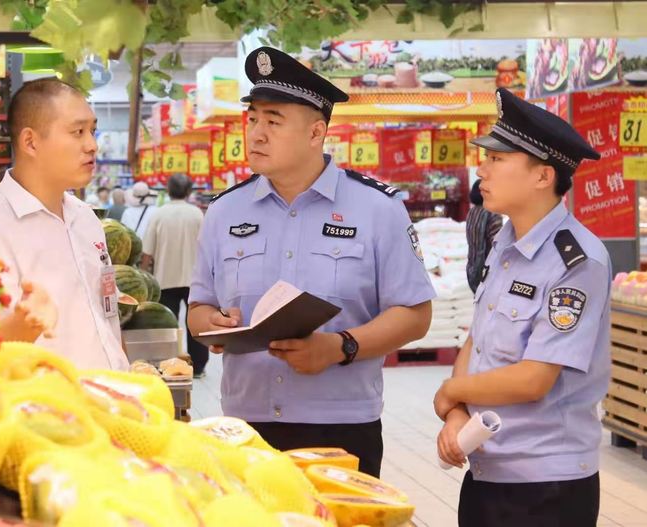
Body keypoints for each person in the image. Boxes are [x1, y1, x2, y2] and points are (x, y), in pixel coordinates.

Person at [187, 47, 435, 476]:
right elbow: (198, 308)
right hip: (245, 425)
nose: (256, 134)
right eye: (252, 120)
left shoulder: (377, 209)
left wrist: (339, 347)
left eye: (273, 121)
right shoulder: (225, 213)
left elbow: (414, 314)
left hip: (340, 428)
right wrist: (213, 324)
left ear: (316, 132)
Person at [433, 88, 609, 527]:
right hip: (488, 468)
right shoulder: (504, 241)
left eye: (497, 159)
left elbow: (534, 378)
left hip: (547, 486)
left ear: (542, 176)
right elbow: (477, 338)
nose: (482, 170)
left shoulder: (578, 260)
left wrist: (454, 393)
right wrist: (455, 416)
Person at [0, 78, 129, 371]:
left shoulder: (86, 219)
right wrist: (25, 322)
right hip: (46, 410)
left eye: (92, 130)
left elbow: (105, 317)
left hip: (110, 402)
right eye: (78, 132)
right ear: (30, 142)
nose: (92, 145)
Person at [140, 174, 208, 377]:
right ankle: (199, 365)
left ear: (168, 191)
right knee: (195, 323)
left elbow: (147, 251)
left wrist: (144, 275)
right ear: (189, 191)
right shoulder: (197, 214)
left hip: (164, 277)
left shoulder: (159, 214)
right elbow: (207, 247)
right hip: (194, 278)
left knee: (167, 325)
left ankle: (167, 364)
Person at [465, 179, 503, 293]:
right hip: (488, 268)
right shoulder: (492, 213)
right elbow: (498, 245)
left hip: (472, 266)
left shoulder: (472, 212)